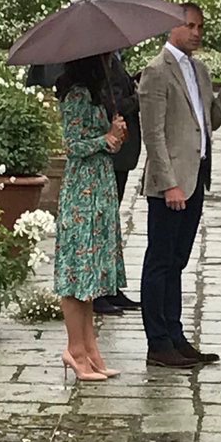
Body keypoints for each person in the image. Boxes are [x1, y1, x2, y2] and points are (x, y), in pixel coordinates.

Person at [138, 2, 221, 367]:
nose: (197, 32)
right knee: (160, 261)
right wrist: (169, 184)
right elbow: (152, 136)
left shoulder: (198, 70)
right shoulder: (156, 72)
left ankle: (176, 333)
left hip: (196, 178)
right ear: (172, 27)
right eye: (190, 25)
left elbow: (210, 121)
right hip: (170, 185)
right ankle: (158, 342)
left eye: (201, 26)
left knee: (178, 262)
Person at [54, 55, 128, 382]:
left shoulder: (96, 96)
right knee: (77, 273)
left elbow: (101, 143)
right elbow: (71, 145)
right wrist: (105, 139)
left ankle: (91, 348)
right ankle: (76, 350)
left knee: (91, 276)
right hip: (82, 191)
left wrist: (114, 137)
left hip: (99, 187)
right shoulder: (76, 95)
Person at [94, 51, 142, 315]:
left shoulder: (115, 61)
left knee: (112, 222)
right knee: (104, 222)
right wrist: (138, 96)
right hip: (113, 155)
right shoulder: (102, 64)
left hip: (123, 155)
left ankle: (111, 285)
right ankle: (100, 290)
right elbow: (112, 104)